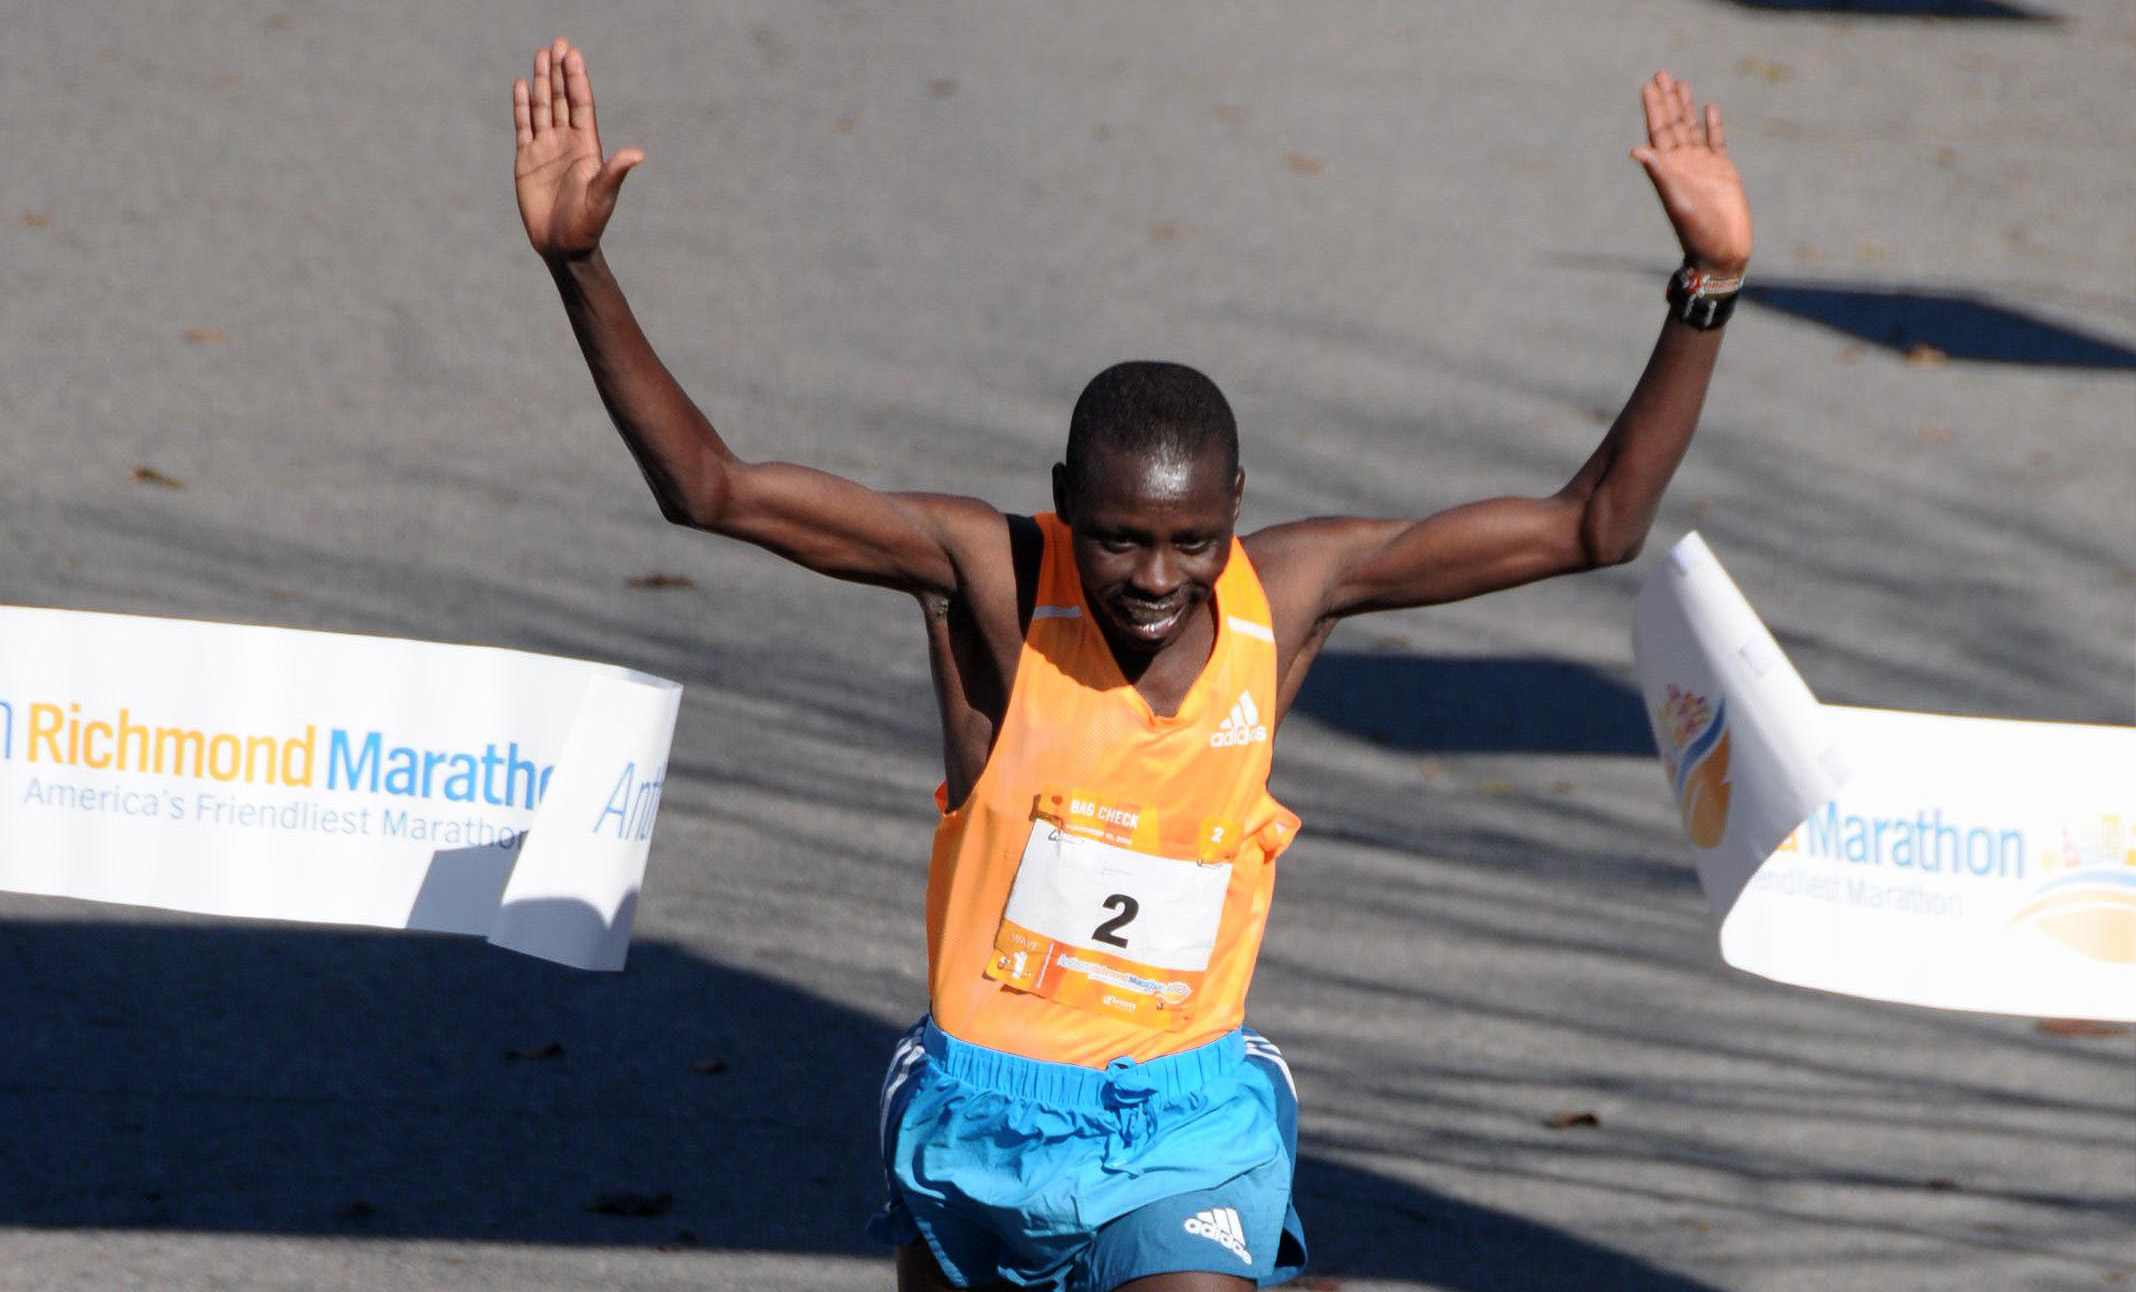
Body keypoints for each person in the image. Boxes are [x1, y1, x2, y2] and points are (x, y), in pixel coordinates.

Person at [512, 37, 1752, 1292]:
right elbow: (712, 489)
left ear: (1236, 512)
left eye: (1192, 542)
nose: (1156, 579)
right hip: (982, 1120)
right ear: (1063, 505)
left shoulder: (1292, 595)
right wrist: (580, 263)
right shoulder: (989, 578)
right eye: (1118, 539)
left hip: (1186, 1119)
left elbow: (1594, 523)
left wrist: (1707, 281)